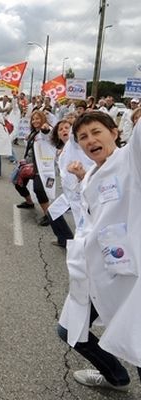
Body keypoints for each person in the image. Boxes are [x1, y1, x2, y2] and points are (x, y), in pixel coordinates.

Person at [57, 112, 141, 392]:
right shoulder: (92, 173)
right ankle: (116, 377)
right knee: (69, 331)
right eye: (83, 137)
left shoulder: (131, 161)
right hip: (91, 273)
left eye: (97, 132)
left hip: (128, 278)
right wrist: (82, 178)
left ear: (115, 133)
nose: (90, 140)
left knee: (137, 343)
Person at [13, 110, 55, 226]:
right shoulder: (33, 133)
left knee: (39, 189)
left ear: (43, 119)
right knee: (18, 184)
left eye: (38, 118)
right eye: (33, 119)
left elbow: (48, 135)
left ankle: (48, 215)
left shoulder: (46, 131)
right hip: (28, 165)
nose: (35, 121)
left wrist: (45, 130)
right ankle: (29, 202)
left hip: (41, 167)